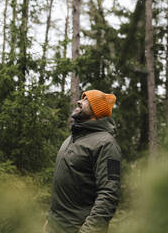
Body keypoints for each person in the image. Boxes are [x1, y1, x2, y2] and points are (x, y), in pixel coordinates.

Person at [45, 90, 122, 233]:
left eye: (87, 100)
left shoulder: (107, 144)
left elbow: (109, 194)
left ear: (97, 111)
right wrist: (49, 221)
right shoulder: (70, 139)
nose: (79, 101)